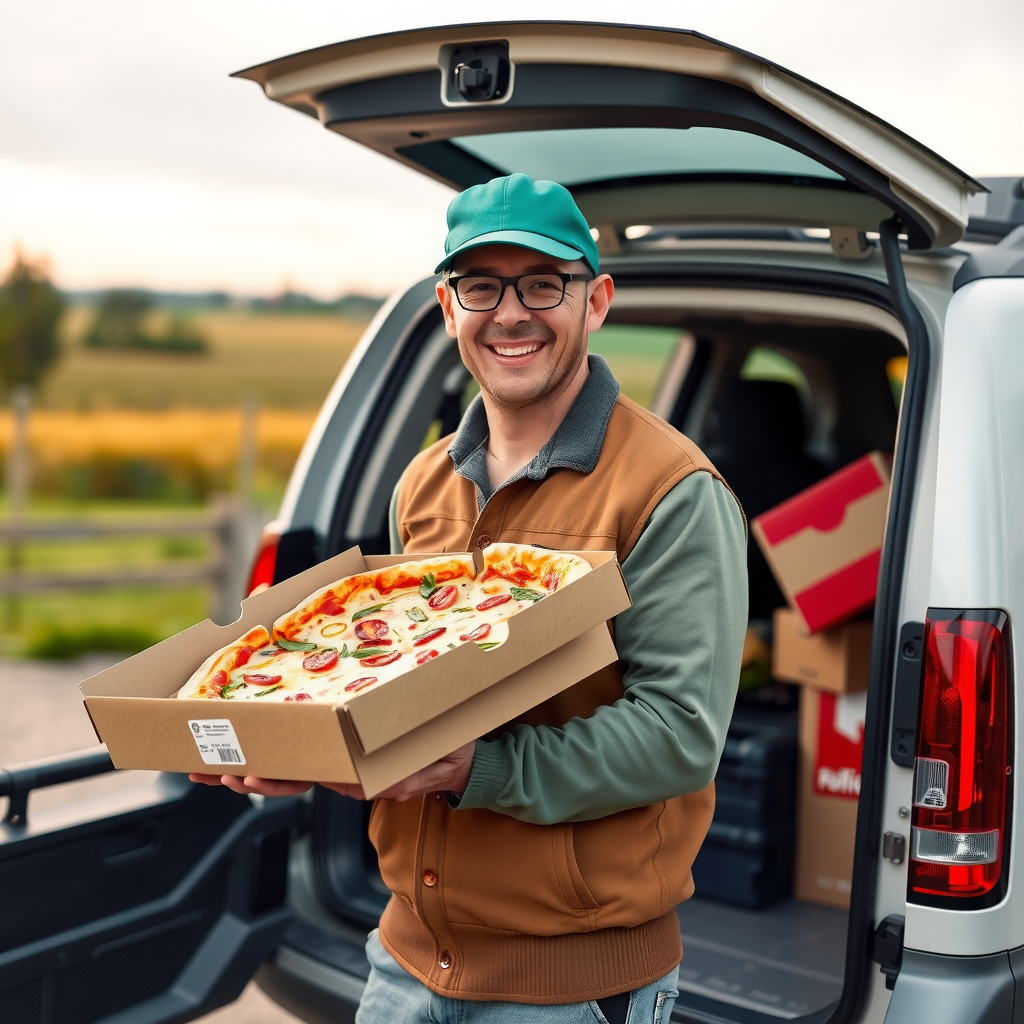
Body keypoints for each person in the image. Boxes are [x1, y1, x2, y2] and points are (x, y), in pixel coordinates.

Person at [192, 173, 747, 1023]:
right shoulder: (422, 484)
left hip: (570, 984)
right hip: (405, 957)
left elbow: (679, 737)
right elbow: (399, 688)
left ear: (595, 301)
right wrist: (302, 749)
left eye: (543, 283)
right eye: (481, 285)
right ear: (450, 309)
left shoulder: (671, 491)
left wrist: (476, 771)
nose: (511, 313)